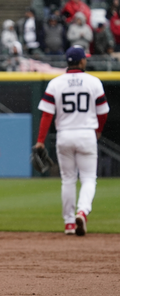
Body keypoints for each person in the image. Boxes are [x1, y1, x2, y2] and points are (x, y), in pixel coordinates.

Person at [35, 45, 109, 236]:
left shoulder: (55, 83)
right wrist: (98, 131)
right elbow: (103, 112)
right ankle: (82, 212)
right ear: (82, 61)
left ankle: (69, 223)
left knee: (68, 179)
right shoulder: (94, 82)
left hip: (64, 134)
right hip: (86, 133)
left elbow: (46, 115)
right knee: (88, 179)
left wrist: (41, 140)